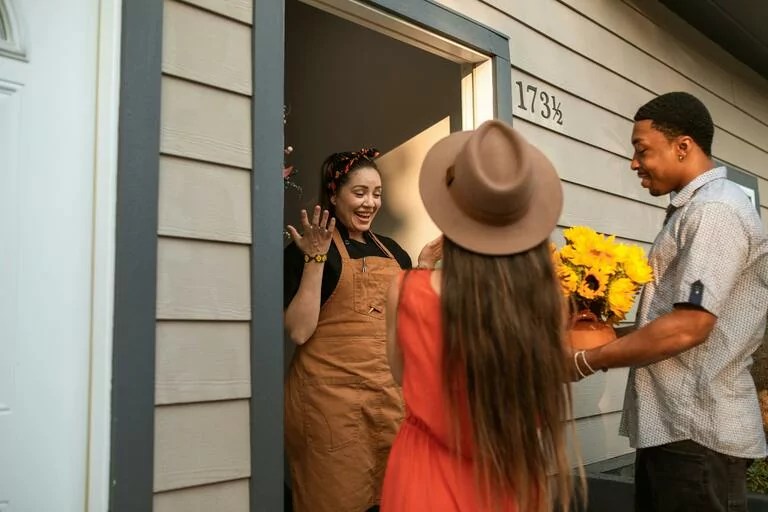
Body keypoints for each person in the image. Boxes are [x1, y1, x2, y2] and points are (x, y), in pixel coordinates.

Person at [573, 92, 768, 511]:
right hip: (677, 431)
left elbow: (690, 326)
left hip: (698, 434)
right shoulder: (694, 210)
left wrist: (589, 360)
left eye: (641, 149)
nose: (633, 163)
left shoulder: (715, 211)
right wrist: (597, 334)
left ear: (683, 146)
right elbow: (675, 319)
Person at [380, 120, 583, 512]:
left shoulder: (407, 291)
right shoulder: (548, 302)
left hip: (423, 482)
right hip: (513, 480)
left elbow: (403, 376)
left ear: (451, 212)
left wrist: (423, 272)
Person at [283, 148, 442, 512]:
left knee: (393, 500)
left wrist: (423, 266)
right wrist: (315, 259)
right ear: (334, 194)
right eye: (360, 193)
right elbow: (298, 331)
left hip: (386, 404)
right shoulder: (305, 251)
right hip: (329, 410)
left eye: (377, 193)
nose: (371, 202)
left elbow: (409, 324)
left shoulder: (395, 252)